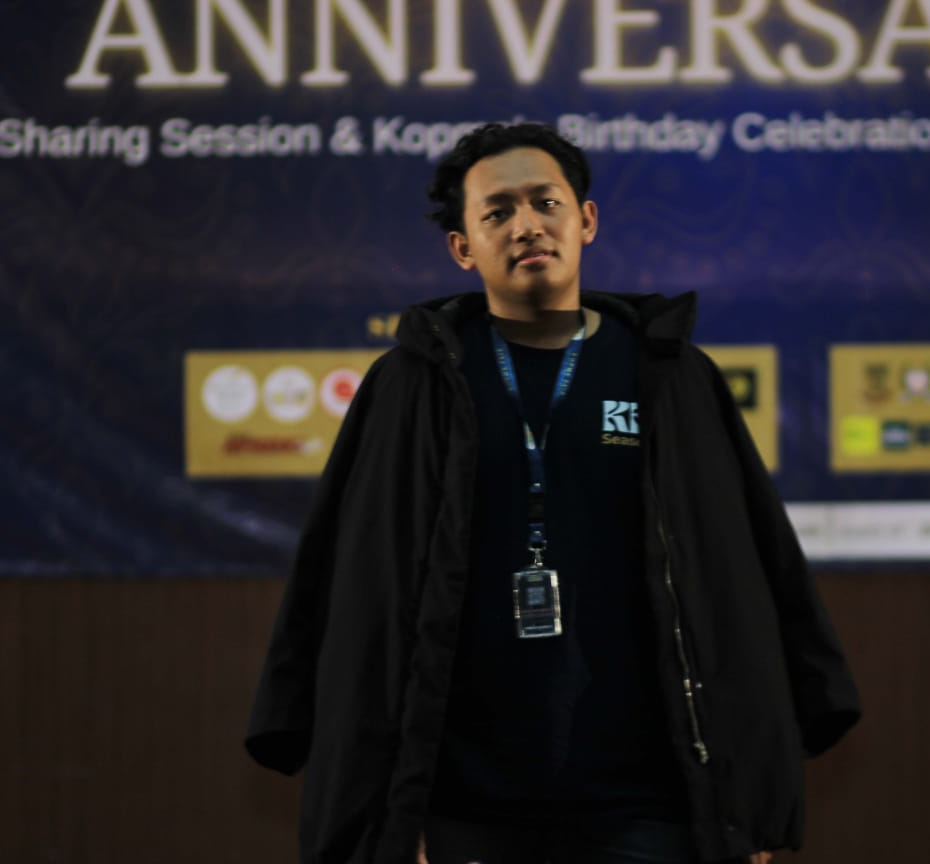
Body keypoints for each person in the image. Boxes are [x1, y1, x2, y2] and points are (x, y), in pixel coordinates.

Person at [246, 122, 861, 864]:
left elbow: (742, 579)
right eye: (497, 212)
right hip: (459, 801)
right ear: (464, 248)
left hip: (652, 800)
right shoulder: (411, 385)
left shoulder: (670, 374)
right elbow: (354, 588)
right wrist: (383, 812)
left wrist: (746, 803)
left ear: (586, 220)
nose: (527, 225)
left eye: (546, 202)